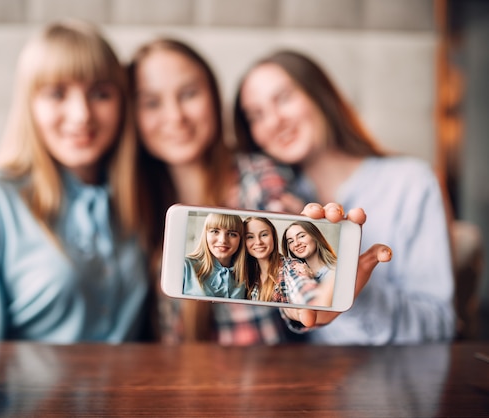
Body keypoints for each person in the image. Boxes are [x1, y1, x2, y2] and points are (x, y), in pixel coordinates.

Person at [124, 38, 391, 344]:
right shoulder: (132, 198)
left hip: (260, 384)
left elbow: (286, 255)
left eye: (189, 94)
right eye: (151, 102)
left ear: (214, 96)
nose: (175, 116)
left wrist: (304, 300)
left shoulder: (258, 175)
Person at [0, 20, 149, 343]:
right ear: (29, 106)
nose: (81, 115)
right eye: (57, 94)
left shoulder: (140, 197)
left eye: (100, 93)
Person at [233, 49, 454, 344]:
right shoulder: (273, 203)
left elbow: (439, 326)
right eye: (256, 116)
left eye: (283, 98)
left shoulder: (412, 183)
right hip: (309, 381)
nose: (273, 122)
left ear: (320, 95)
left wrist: (347, 285)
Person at [243, 216, 320, 305]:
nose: (258, 242)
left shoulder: (291, 266)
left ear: (273, 237)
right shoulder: (246, 274)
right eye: (250, 237)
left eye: (264, 235)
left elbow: (304, 289)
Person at [183, 213, 247, 298]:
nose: (223, 240)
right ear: (205, 235)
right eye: (215, 231)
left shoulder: (246, 273)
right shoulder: (185, 266)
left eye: (232, 234)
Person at [281, 220, 337, 307]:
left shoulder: (335, 270)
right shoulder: (292, 272)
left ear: (315, 236)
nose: (296, 244)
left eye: (301, 236)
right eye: (291, 241)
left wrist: (310, 277)